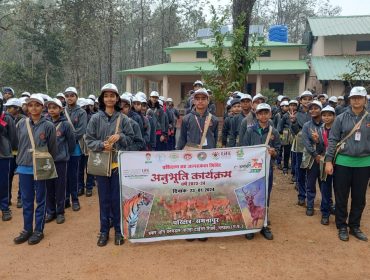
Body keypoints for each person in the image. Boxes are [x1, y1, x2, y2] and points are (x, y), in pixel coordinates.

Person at [85, 83, 134, 246]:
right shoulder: (95, 118)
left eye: (112, 95)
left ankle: (119, 232)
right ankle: (104, 231)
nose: (109, 98)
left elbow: (131, 140)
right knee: (104, 200)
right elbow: (88, 140)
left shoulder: (124, 119)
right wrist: (101, 145)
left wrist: (120, 137)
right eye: (106, 96)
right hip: (101, 165)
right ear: (102, 99)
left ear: (117, 98)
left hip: (118, 165)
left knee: (117, 199)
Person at [325, 86, 370, 242]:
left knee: (359, 197)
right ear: (349, 99)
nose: (356, 100)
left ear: (365, 99)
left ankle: (355, 225)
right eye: (353, 98)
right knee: (341, 196)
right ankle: (342, 226)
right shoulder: (341, 118)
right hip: (343, 162)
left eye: (359, 97)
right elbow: (333, 140)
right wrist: (328, 161)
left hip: (364, 164)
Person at [14, 94, 57, 245]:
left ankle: (39, 230)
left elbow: (53, 148)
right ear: (27, 107)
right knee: (26, 200)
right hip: (24, 167)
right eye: (31, 105)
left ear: (42, 107)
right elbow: (17, 143)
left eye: (37, 105)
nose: (33, 108)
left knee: (40, 199)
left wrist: (45, 161)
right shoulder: (21, 124)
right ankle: (27, 229)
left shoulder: (49, 126)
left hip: (41, 167)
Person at [240, 103, 281, 241]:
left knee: (264, 195)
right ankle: (250, 226)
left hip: (267, 169)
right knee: (251, 195)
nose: (263, 115)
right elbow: (244, 149)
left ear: (270, 114)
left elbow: (278, 151)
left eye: (266, 113)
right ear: (256, 115)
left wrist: (274, 152)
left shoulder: (273, 132)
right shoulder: (250, 131)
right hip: (252, 170)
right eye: (260, 113)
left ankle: (263, 225)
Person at [45, 98, 75, 224]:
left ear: (60, 109)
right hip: (46, 160)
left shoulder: (65, 124)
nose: (52, 110)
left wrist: (65, 154)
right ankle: (50, 211)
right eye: (50, 107)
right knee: (48, 186)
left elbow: (71, 142)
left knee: (60, 186)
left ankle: (60, 212)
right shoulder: (45, 123)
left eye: (55, 107)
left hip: (60, 160)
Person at [64, 87, 87, 211]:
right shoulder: (62, 111)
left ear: (76, 97)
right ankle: (65, 199)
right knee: (63, 175)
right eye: (67, 95)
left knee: (73, 174)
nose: (69, 97)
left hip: (75, 148)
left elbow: (81, 130)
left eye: (72, 95)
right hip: (62, 148)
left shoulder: (81, 112)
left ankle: (75, 200)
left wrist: (68, 141)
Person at [301, 100, 324, 217]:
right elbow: (305, 142)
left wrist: (322, 154)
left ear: (321, 109)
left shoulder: (327, 124)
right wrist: (315, 155)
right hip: (312, 158)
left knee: (324, 182)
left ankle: (327, 205)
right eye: (311, 108)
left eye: (316, 108)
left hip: (325, 157)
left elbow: (330, 141)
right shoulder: (307, 125)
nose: (313, 110)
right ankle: (310, 205)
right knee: (310, 182)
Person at [291, 91, 313, 206]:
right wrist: (293, 122)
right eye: (305, 99)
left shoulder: (315, 112)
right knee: (300, 171)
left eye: (309, 98)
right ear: (300, 101)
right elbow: (294, 131)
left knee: (311, 173)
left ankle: (310, 196)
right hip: (300, 146)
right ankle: (301, 195)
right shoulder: (296, 114)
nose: (307, 101)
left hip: (313, 147)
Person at [317, 105, 336, 225]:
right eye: (324, 115)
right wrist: (317, 141)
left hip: (338, 160)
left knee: (339, 188)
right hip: (325, 161)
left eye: (329, 115)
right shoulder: (320, 130)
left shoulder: (339, 128)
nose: (326, 117)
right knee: (325, 186)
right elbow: (320, 148)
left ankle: (336, 209)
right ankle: (325, 212)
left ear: (334, 116)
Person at [5, 98, 25, 208]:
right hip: (10, 153)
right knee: (9, 175)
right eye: (7, 107)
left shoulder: (24, 120)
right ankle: (7, 198)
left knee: (22, 176)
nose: (8, 109)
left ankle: (20, 198)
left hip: (21, 152)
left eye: (10, 107)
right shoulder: (6, 119)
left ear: (17, 108)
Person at [0, 93, 17, 221]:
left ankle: (5, 208)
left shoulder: (6, 117)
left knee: (4, 182)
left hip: (3, 155)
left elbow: (13, 137)